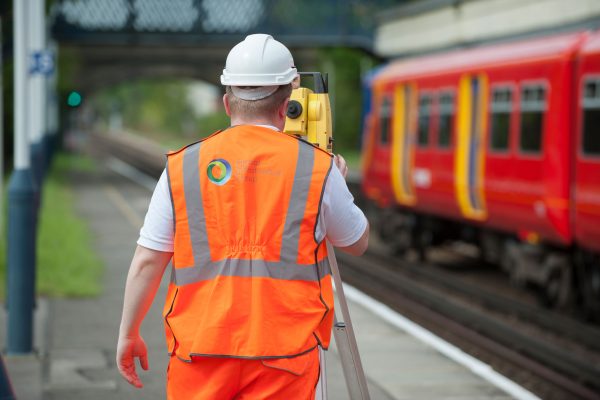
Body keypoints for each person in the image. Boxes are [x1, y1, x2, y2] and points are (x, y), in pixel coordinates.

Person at [116, 33, 369, 399]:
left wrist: (129, 332)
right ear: (286, 104)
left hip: (199, 352)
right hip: (285, 356)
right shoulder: (317, 168)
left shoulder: (183, 166)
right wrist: (336, 183)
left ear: (226, 102)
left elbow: (146, 261)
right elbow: (357, 242)